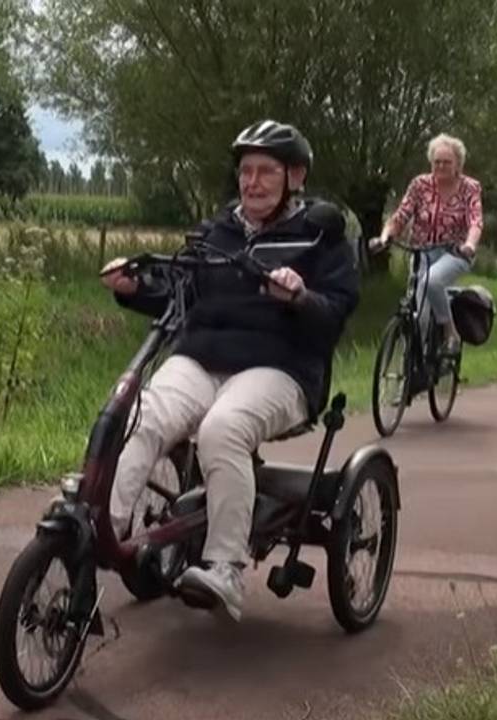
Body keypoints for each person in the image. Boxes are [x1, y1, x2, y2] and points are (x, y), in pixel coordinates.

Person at [100, 120, 360, 621]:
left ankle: (224, 568)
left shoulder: (319, 235)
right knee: (141, 416)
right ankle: (103, 528)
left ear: (296, 177)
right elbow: (181, 290)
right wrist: (133, 288)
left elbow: (335, 314)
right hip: (202, 358)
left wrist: (300, 297)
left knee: (222, 429)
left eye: (266, 171)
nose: (253, 182)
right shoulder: (214, 231)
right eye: (246, 171)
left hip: (281, 368)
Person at [373, 133, 483, 353]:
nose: (441, 166)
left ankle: (449, 331)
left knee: (431, 282)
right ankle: (416, 363)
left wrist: (470, 244)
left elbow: (476, 220)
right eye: (436, 162)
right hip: (421, 252)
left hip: (454, 253)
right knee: (418, 314)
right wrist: (385, 237)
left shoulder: (470, 187)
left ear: (458, 164)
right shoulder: (420, 185)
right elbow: (400, 216)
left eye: (447, 162)